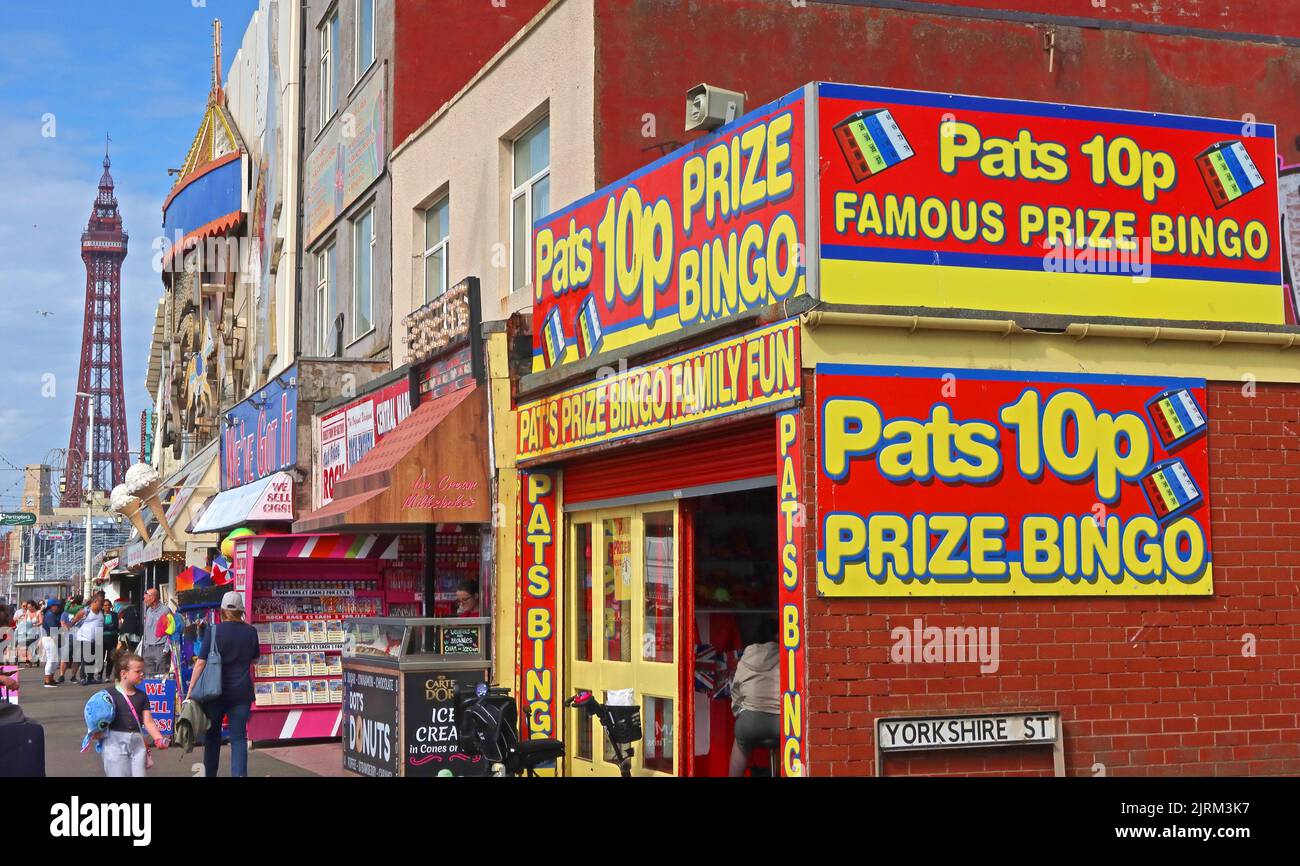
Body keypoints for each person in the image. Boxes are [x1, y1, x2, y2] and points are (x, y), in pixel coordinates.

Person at [186, 591, 260, 778]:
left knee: (212, 737)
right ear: (241, 610)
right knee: (238, 739)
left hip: (214, 693)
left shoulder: (214, 630)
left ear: (223, 610)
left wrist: (190, 690)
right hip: (242, 693)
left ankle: (210, 774)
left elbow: (201, 662)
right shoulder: (251, 631)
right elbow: (255, 660)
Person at [95, 652, 169, 777]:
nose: (142, 674)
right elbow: (95, 715)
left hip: (137, 742)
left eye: (142, 671)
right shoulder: (107, 694)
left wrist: (158, 738)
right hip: (114, 742)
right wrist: (95, 730)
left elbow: (148, 722)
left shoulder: (142, 696)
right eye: (137, 671)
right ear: (124, 673)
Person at [728, 618, 780, 777]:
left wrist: (740, 713)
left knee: (741, 743)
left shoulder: (747, 657)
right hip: (782, 722)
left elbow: (735, 690)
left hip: (750, 723)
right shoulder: (788, 655)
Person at [71, 598, 105, 685]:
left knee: (93, 658)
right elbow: (75, 620)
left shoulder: (101, 611)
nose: (101, 604)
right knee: (86, 658)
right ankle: (83, 677)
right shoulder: (86, 611)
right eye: (100, 602)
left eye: (102, 602)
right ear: (94, 602)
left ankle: (90, 677)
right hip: (84, 637)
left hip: (96, 638)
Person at [140, 588, 170, 676]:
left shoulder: (165, 610)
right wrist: (145, 646)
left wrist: (166, 649)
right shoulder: (148, 611)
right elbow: (146, 630)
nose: (144, 600)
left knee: (161, 676)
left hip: (161, 649)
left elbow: (171, 630)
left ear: (152, 598)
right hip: (148, 649)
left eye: (146, 598)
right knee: (148, 678)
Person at [41, 599, 63, 688]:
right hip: (50, 638)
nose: (58, 607)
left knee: (55, 660)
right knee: (51, 659)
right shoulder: (50, 615)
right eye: (56, 606)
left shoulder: (52, 614)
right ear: (51, 606)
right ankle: (47, 680)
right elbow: (53, 629)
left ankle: (51, 678)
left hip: (52, 638)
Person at [101, 599, 120, 678]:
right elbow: (100, 626)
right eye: (105, 605)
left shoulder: (114, 614)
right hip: (102, 638)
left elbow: (115, 625)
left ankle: (108, 675)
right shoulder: (100, 615)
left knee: (110, 657)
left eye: (108, 605)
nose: (107, 607)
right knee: (100, 657)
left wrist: (106, 627)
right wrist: (109, 626)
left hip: (112, 638)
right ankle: (99, 674)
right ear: (102, 606)